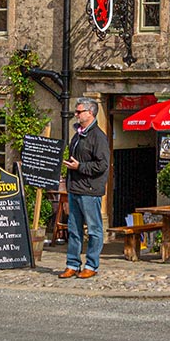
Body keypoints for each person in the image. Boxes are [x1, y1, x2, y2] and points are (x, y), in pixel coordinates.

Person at [60, 96, 109, 279]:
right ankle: (72, 264)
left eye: (79, 111)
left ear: (90, 113)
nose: (76, 114)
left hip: (90, 190)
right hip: (75, 189)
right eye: (76, 111)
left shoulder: (98, 137)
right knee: (74, 229)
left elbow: (102, 165)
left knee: (94, 230)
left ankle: (91, 264)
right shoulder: (78, 134)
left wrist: (79, 167)